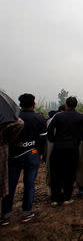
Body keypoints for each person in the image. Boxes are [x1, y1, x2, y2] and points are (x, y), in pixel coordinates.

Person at [1, 94, 46, 224]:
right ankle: (26, 212)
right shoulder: (39, 118)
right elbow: (43, 138)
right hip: (33, 153)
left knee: (10, 184)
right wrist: (41, 153)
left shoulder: (13, 119)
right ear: (34, 104)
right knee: (29, 184)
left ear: (20, 105)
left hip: (14, 155)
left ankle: (5, 215)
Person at [47, 97, 83, 205]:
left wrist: (54, 140)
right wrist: (78, 140)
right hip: (72, 148)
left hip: (58, 147)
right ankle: (67, 197)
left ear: (66, 105)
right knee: (70, 172)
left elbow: (50, 130)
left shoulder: (58, 116)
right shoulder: (80, 117)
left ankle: (55, 198)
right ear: (76, 105)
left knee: (56, 172)